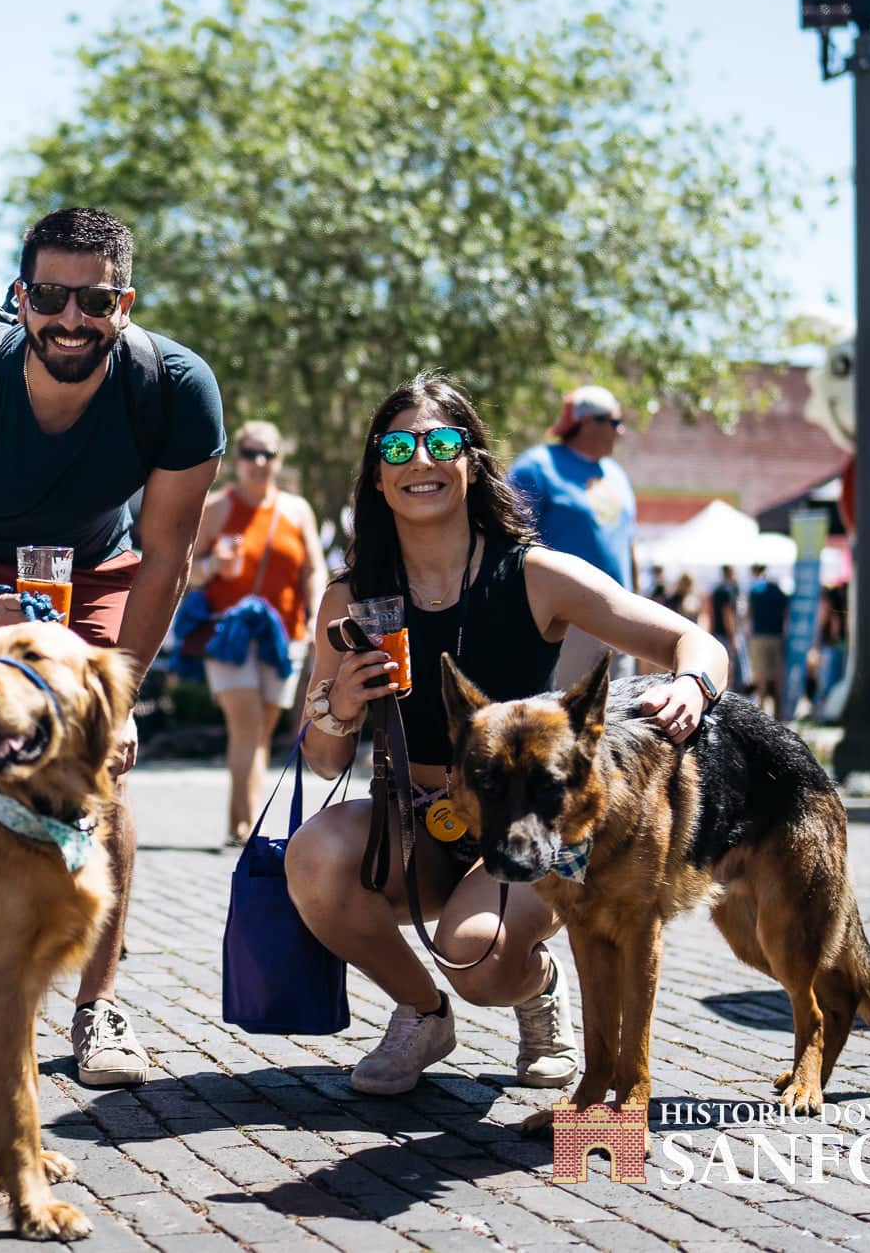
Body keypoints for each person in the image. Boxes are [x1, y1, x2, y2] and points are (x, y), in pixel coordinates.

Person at [283, 373, 727, 1096]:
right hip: (422, 816)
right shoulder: (351, 596)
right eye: (397, 445)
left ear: (472, 459)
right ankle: (422, 1014)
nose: (419, 459)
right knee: (314, 858)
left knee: (479, 956)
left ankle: (534, 984)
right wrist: (338, 705)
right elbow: (326, 757)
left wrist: (693, 685)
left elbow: (691, 639)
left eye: (442, 442)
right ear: (376, 472)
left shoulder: (534, 575)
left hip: (535, 824)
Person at [0, 207, 224, 1087]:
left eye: (95, 300)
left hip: (92, 566)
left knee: (99, 767)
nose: (73, 318)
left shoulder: (177, 387)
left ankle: (97, 1006)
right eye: (51, 296)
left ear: (126, 302)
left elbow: (169, 551)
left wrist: (124, 694)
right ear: (20, 298)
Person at [189, 420, 324, 845]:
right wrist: (213, 566)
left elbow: (313, 569)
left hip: (285, 636)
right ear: (237, 460)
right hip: (230, 636)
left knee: (261, 730)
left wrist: (319, 614)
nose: (259, 462)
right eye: (250, 453)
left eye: (268, 454)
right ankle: (250, 827)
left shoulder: (296, 510)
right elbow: (185, 572)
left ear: (279, 460)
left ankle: (239, 821)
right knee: (246, 723)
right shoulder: (217, 508)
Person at [507, 383, 638, 684]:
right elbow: (511, 542)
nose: (621, 431)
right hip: (565, 621)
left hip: (623, 620)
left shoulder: (617, 475)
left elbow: (628, 547)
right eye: (615, 422)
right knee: (565, 718)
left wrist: (637, 603)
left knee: (618, 718)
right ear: (588, 423)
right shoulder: (536, 467)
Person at [745, 564, 790, 720]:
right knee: (777, 676)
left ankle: (762, 712)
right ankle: (778, 713)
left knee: (760, 675)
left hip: (759, 636)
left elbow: (748, 615)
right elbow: (786, 616)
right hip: (777, 637)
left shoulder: (755, 591)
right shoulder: (781, 594)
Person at [707, 564, 743, 687]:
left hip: (716, 632)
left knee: (719, 664)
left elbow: (710, 612)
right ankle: (727, 690)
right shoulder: (727, 591)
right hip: (725, 634)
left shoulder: (716, 590)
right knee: (729, 664)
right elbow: (727, 615)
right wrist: (733, 637)